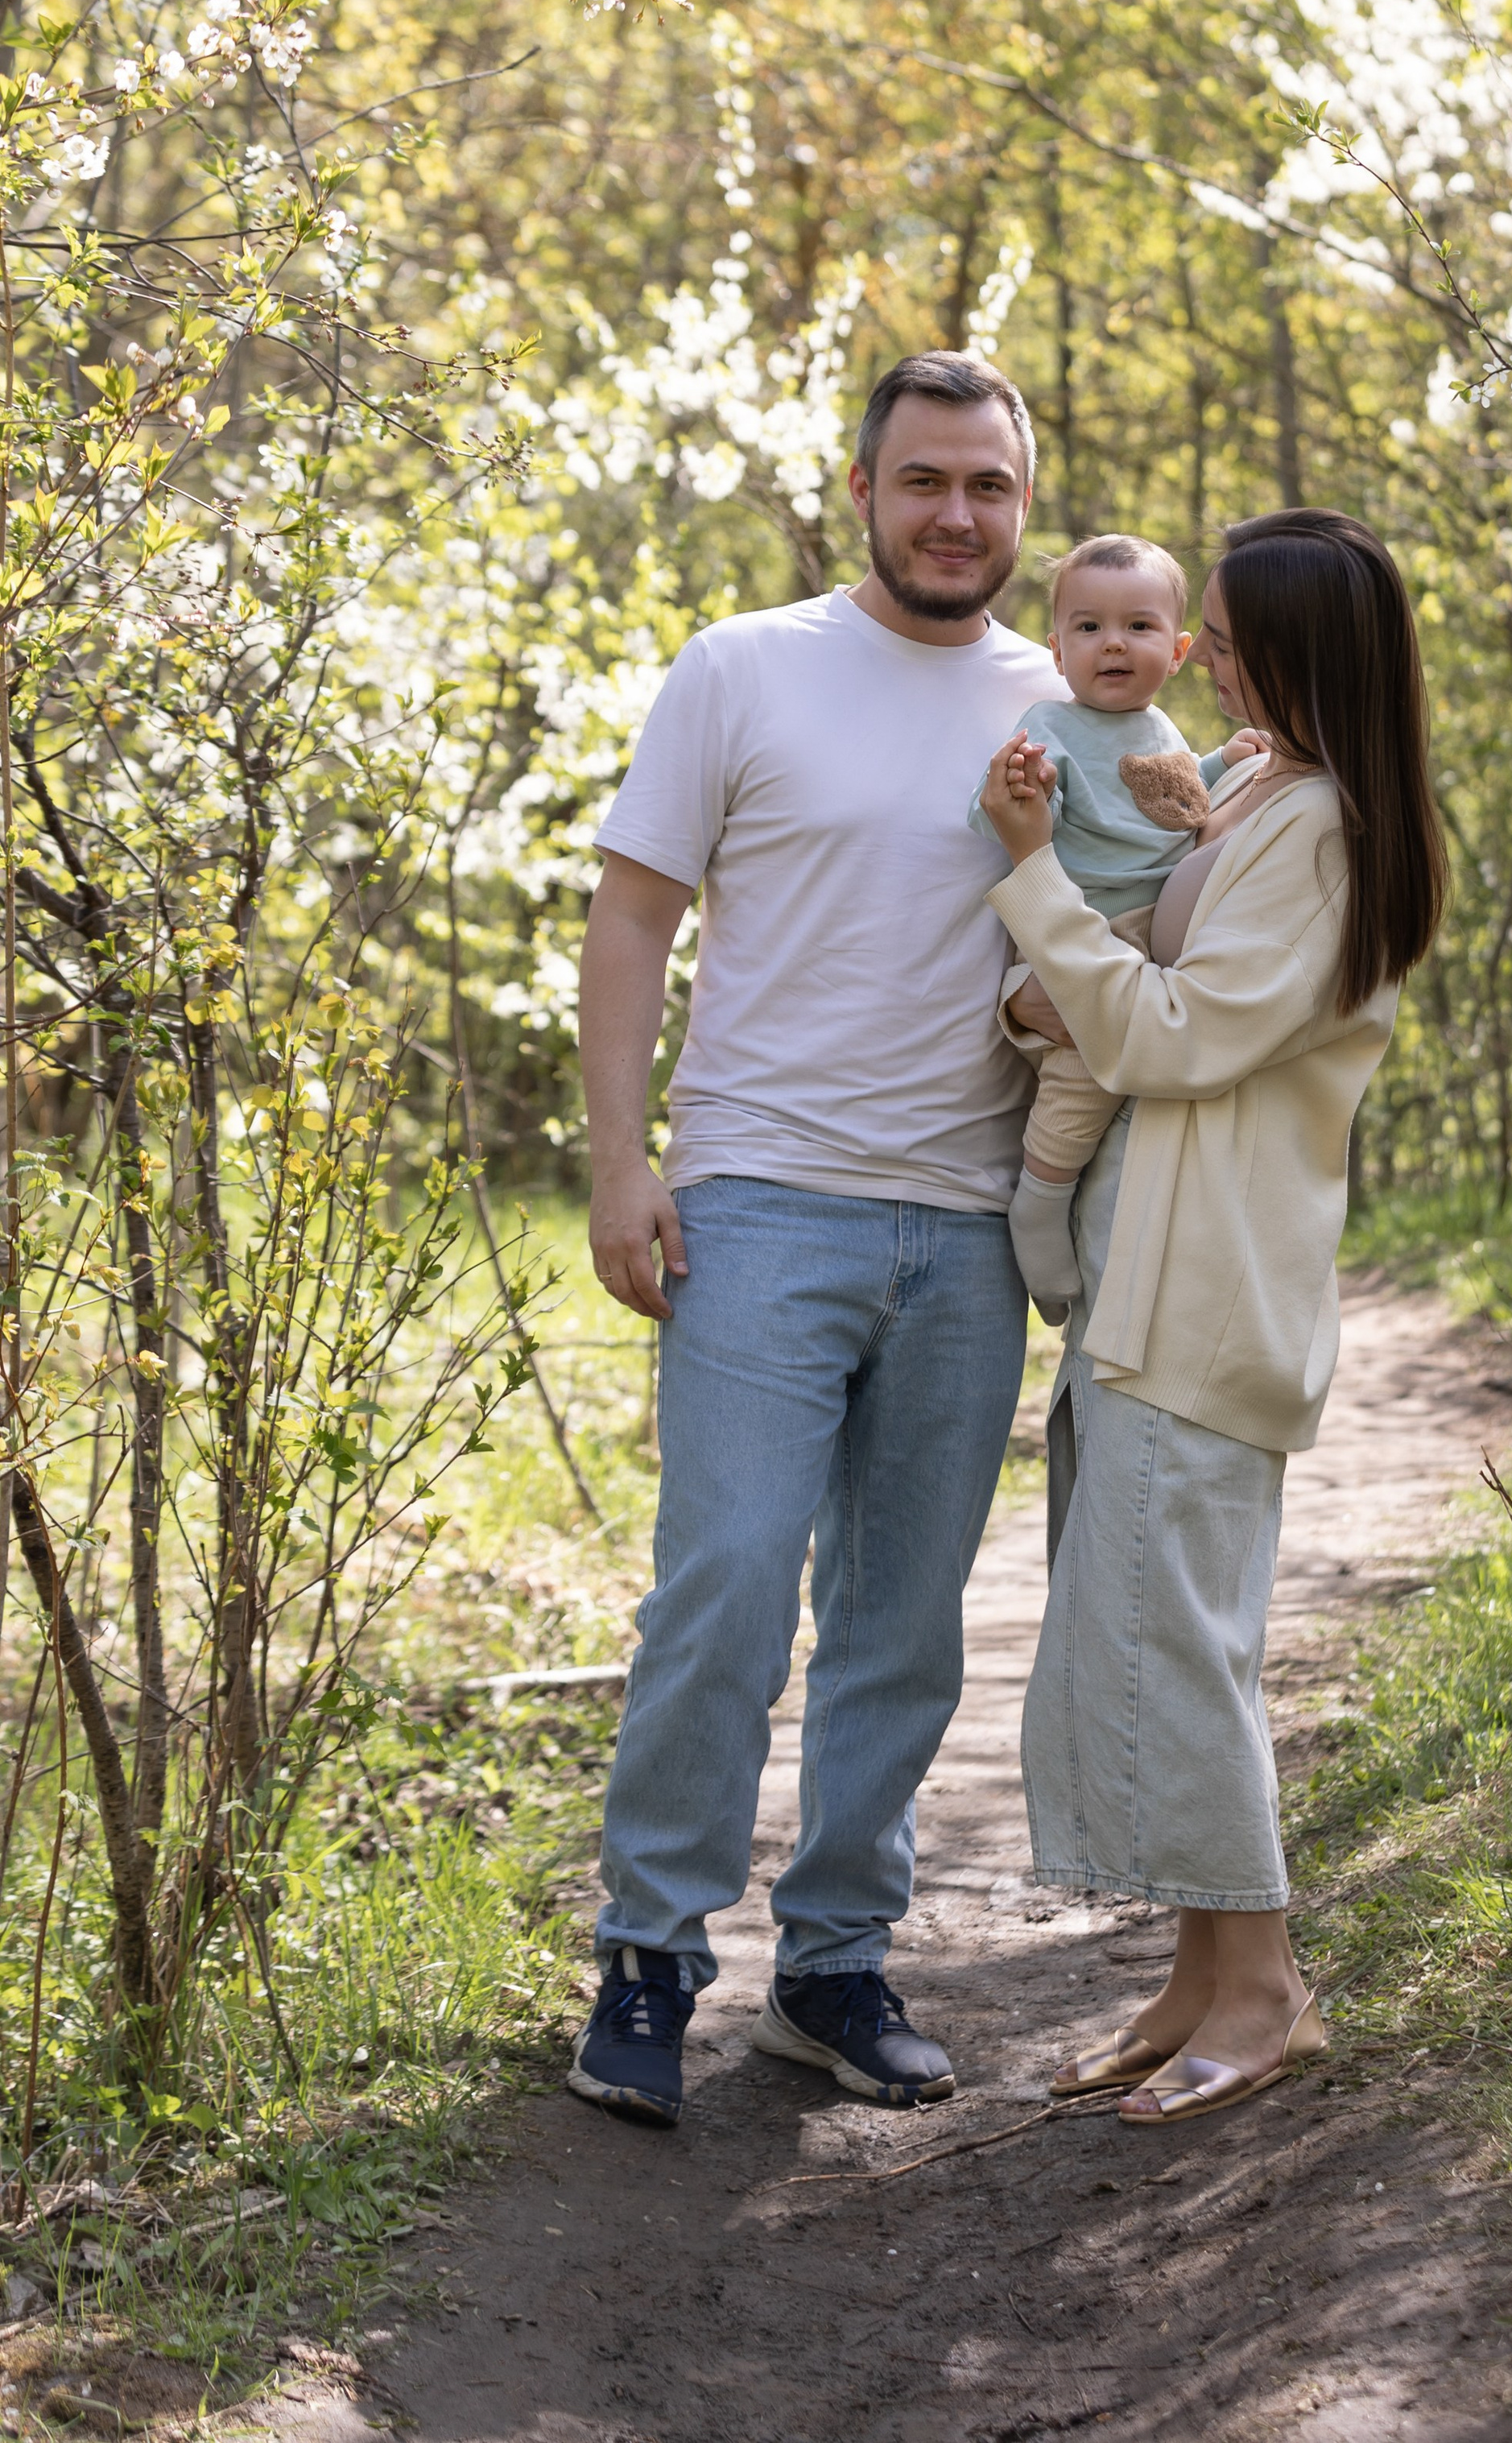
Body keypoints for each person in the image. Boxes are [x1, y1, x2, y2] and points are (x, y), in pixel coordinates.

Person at [568, 350, 1054, 2129]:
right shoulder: (743, 667)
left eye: (985, 485)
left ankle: (835, 1961)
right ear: (862, 491)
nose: (954, 514)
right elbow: (631, 921)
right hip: (759, 1204)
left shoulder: (1062, 700)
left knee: (902, 1621)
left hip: (969, 1223)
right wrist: (624, 1168)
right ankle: (646, 1953)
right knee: (723, 1581)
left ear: (1023, 497)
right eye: (922, 480)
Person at [977, 509, 1447, 2132]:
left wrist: (1035, 883)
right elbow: (1121, 978)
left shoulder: (1321, 829)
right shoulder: (1253, 788)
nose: (1207, 662)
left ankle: (1261, 1992)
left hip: (1206, 1278)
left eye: (1236, 639)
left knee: (1175, 1639)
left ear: (1304, 654)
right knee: (1136, 1617)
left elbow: (1169, 1034)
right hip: (1138, 1264)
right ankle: (1193, 1973)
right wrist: (1056, 957)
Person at [967, 533, 1254, 1313]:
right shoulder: (1050, 726)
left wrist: (1223, 762)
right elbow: (995, 814)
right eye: (1088, 628)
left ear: (1179, 647)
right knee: (1086, 1078)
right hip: (1092, 937)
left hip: (1157, 938)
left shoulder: (1160, 731)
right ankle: (1040, 1194)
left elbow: (1174, 800)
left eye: (1138, 625)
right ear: (1056, 649)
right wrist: (1034, 790)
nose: (1113, 643)